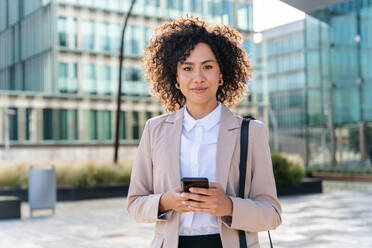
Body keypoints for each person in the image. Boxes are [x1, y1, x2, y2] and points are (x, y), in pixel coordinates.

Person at [127, 16, 281, 248]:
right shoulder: (154, 130)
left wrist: (229, 206)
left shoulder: (251, 132)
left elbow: (272, 214)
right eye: (187, 68)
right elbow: (135, 204)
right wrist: (165, 202)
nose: (198, 78)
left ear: (221, 74)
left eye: (207, 67)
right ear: (176, 78)